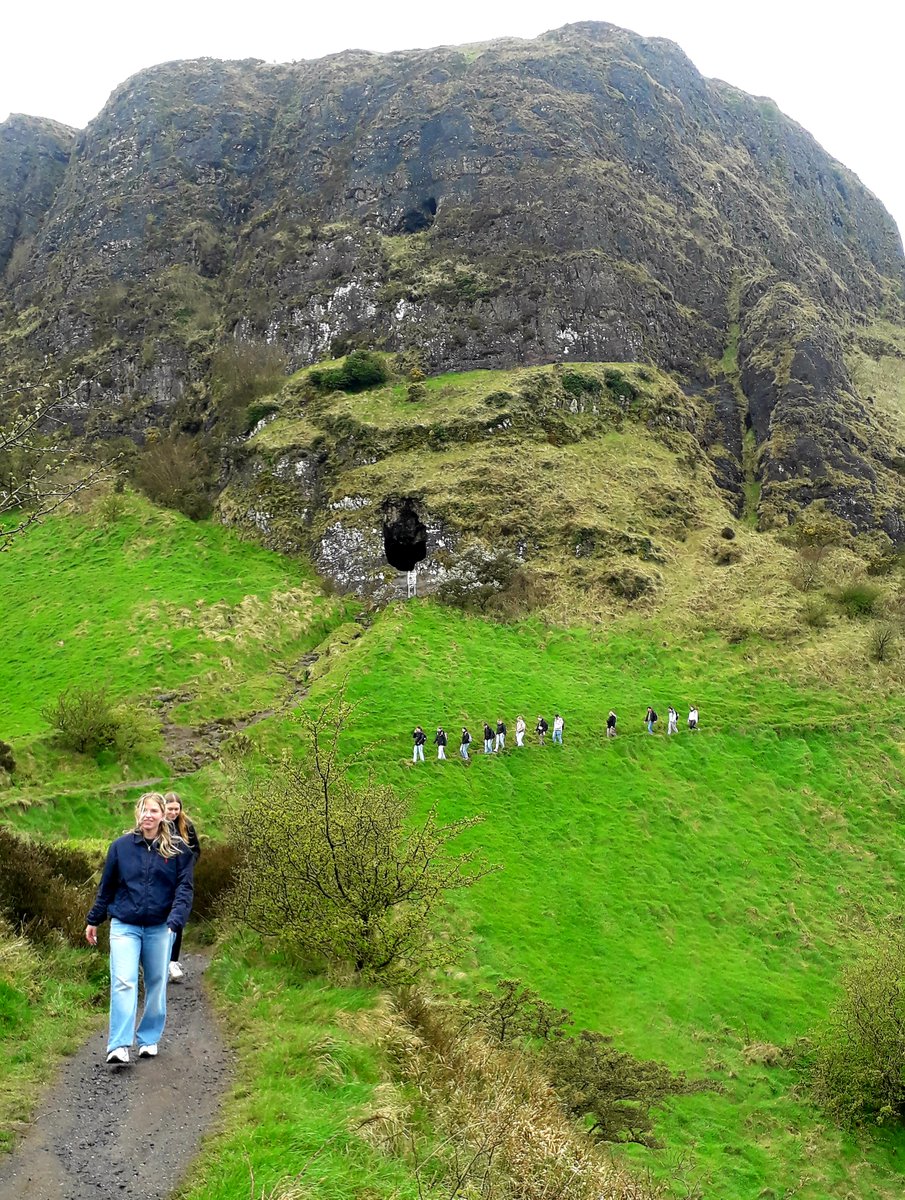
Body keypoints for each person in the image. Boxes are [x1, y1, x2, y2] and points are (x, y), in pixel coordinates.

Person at [85, 792, 194, 1065]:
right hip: (125, 925)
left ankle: (148, 1039)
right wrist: (94, 919)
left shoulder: (179, 850)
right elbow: (106, 887)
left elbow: (184, 889)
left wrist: (175, 921)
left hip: (160, 927)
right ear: (138, 814)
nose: (148, 815)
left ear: (163, 816)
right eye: (144, 810)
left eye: (154, 811)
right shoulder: (120, 847)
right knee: (124, 981)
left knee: (156, 984)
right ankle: (119, 1045)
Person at [163, 792, 201, 983]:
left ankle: (173, 960)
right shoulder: (158, 826)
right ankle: (159, 962)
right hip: (161, 879)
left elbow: (196, 850)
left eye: (176, 809)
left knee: (177, 918)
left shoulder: (187, 826)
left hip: (180, 879)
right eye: (170, 809)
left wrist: (186, 867)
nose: (173, 812)